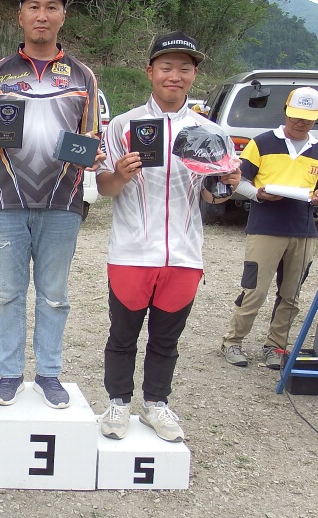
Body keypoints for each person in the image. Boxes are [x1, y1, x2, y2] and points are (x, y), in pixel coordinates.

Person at [97, 31, 240, 442]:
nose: (174, 75)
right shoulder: (123, 125)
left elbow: (215, 194)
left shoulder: (210, 133)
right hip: (130, 251)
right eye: (166, 67)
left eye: (184, 68)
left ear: (194, 75)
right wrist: (120, 174)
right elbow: (105, 187)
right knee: (122, 335)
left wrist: (228, 180)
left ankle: (156, 404)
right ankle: (118, 404)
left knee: (166, 339)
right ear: (150, 72)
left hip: (183, 253)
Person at [0, 0, 102, 408]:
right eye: (33, 6)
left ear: (63, 16)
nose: (42, 14)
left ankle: (49, 373)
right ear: (20, 15)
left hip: (64, 201)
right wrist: (1, 136)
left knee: (54, 294)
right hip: (6, 200)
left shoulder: (83, 76)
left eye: (51, 6)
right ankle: (9, 373)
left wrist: (93, 156)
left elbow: (92, 139)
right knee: (8, 293)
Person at [220, 87, 318, 369]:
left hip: (303, 228)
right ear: (286, 112)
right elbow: (237, 180)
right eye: (297, 117)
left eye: (308, 119)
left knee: (291, 294)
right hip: (265, 227)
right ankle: (233, 341)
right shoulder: (262, 142)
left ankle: (276, 347)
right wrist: (259, 195)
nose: (301, 123)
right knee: (255, 289)